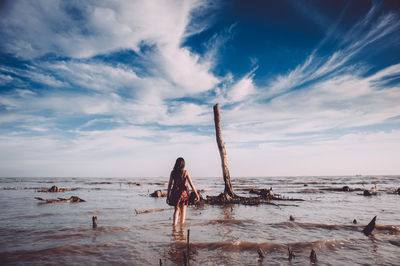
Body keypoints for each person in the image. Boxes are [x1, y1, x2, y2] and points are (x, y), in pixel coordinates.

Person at [167, 157, 200, 226]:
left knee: (176, 210)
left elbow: (169, 185)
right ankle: (182, 228)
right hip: (183, 194)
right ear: (183, 164)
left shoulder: (173, 173)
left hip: (175, 193)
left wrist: (168, 195)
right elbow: (191, 184)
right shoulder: (185, 172)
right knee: (183, 211)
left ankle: (174, 226)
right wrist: (196, 194)